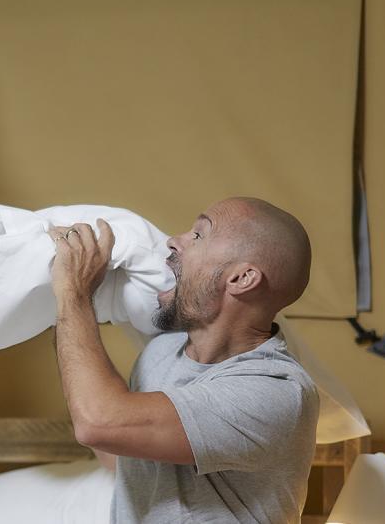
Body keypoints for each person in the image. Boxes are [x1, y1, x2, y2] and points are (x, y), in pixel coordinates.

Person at [48, 197, 319, 523]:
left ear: (240, 279)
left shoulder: (277, 392)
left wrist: (74, 293)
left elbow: (99, 423)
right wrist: (63, 316)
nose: (174, 241)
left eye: (199, 235)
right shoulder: (160, 354)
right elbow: (123, 456)